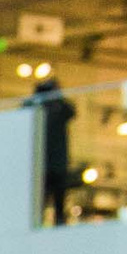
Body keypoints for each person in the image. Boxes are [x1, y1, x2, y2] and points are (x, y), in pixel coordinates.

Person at [30, 78, 78, 225]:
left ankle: (59, 221)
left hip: (57, 163)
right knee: (41, 199)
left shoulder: (60, 108)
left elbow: (71, 111)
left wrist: (56, 96)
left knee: (59, 198)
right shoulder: (37, 110)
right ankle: (40, 221)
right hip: (42, 163)